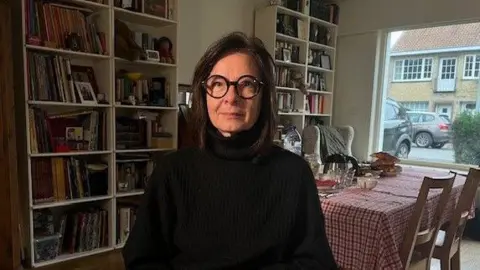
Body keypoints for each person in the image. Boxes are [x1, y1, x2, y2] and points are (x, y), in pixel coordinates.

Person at [122, 31, 338, 270]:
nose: (231, 97)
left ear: (264, 97)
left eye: (247, 85)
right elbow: (141, 259)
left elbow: (317, 263)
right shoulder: (171, 172)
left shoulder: (294, 174)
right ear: (204, 95)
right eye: (217, 84)